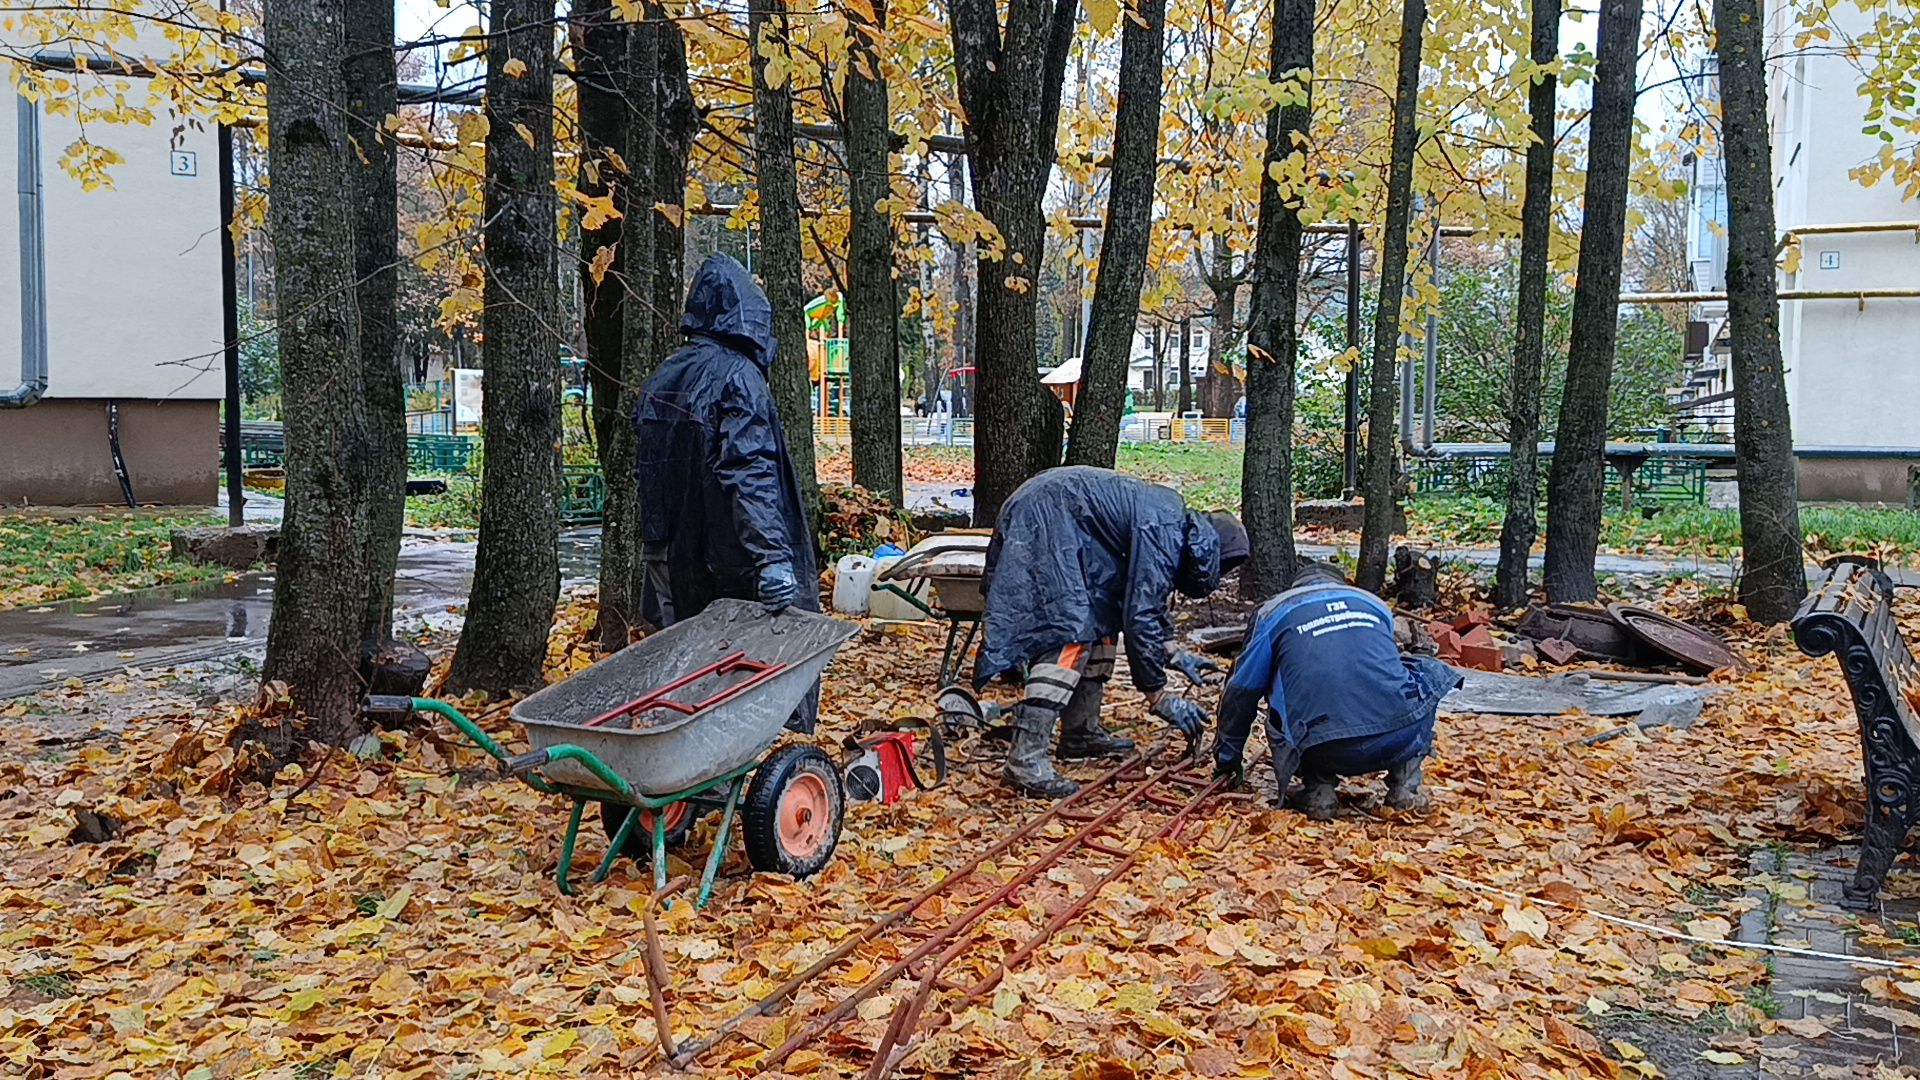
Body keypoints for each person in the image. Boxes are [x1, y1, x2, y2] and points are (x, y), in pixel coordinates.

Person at [975, 466, 1250, 797]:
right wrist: (1158, 695)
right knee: (1069, 635)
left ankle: (1080, 732)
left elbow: (1140, 599)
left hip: (1055, 513)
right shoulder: (1166, 529)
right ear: (1211, 553)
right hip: (1048, 517)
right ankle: (1025, 760)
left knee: (1100, 626)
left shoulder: (1171, 525)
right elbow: (1141, 614)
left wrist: (1172, 652)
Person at [634, 252, 821, 732]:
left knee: (684, 665)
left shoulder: (664, 375)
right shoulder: (739, 377)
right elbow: (748, 470)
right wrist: (772, 558)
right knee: (746, 669)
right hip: (732, 559)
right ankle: (727, 758)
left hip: (671, 556)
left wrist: (657, 547)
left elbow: (650, 470)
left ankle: (678, 750)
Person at [1209, 559, 1460, 819]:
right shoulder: (1373, 603)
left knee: (1284, 686)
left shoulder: (1274, 612)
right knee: (1425, 673)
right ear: (1341, 582)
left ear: (1296, 586)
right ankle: (1405, 789)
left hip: (1323, 746)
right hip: (1399, 735)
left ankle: (1319, 791)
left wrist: (1227, 760)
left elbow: (1241, 692)